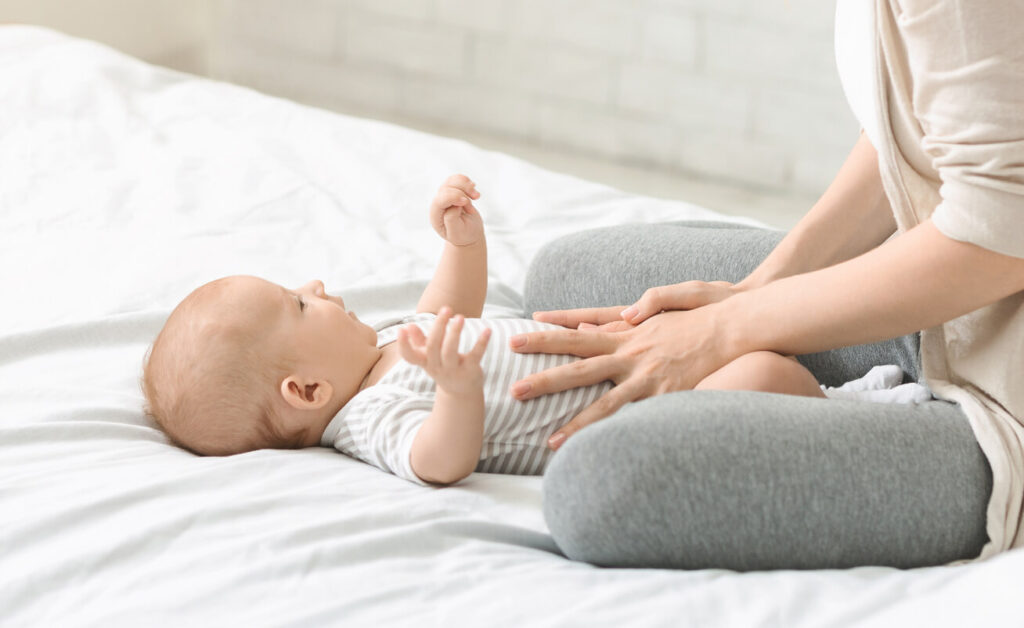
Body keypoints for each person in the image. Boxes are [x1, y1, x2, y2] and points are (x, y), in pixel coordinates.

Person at [509, 0, 1024, 570]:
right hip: (955, 307)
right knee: (567, 278)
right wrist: (756, 293)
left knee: (597, 489)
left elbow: (1001, 231)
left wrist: (723, 330)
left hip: (1008, 389)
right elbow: (912, 132)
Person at [141, 175, 837, 486]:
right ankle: (846, 422)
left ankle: (833, 375)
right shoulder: (367, 416)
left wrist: (462, 245)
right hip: (637, 416)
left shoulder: (385, 343)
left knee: (719, 333)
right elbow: (438, 462)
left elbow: (451, 309)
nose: (316, 288)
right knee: (764, 378)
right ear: (307, 390)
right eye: (296, 306)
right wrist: (458, 393)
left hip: (639, 364)